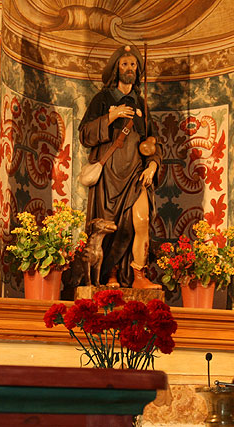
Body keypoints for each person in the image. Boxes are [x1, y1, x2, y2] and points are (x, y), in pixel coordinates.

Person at [79, 45, 162, 289]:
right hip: (109, 175)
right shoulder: (103, 99)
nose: (129, 69)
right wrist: (111, 117)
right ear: (116, 68)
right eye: (125, 64)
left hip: (136, 173)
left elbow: (152, 142)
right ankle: (110, 274)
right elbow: (85, 135)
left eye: (134, 65)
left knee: (141, 220)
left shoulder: (141, 104)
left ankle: (138, 274)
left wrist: (153, 166)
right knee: (110, 226)